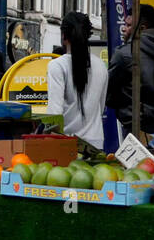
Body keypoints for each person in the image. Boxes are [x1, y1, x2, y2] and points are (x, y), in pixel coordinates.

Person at [106, 3, 154, 148]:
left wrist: (127, 113)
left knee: (137, 171)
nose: (124, 29)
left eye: (129, 25)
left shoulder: (124, 54)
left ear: (142, 28)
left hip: (138, 131)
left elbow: (109, 95)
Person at [45, 10, 109, 150]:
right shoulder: (101, 66)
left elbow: (54, 113)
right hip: (95, 143)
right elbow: (101, 106)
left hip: (66, 143)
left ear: (64, 36)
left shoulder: (57, 66)